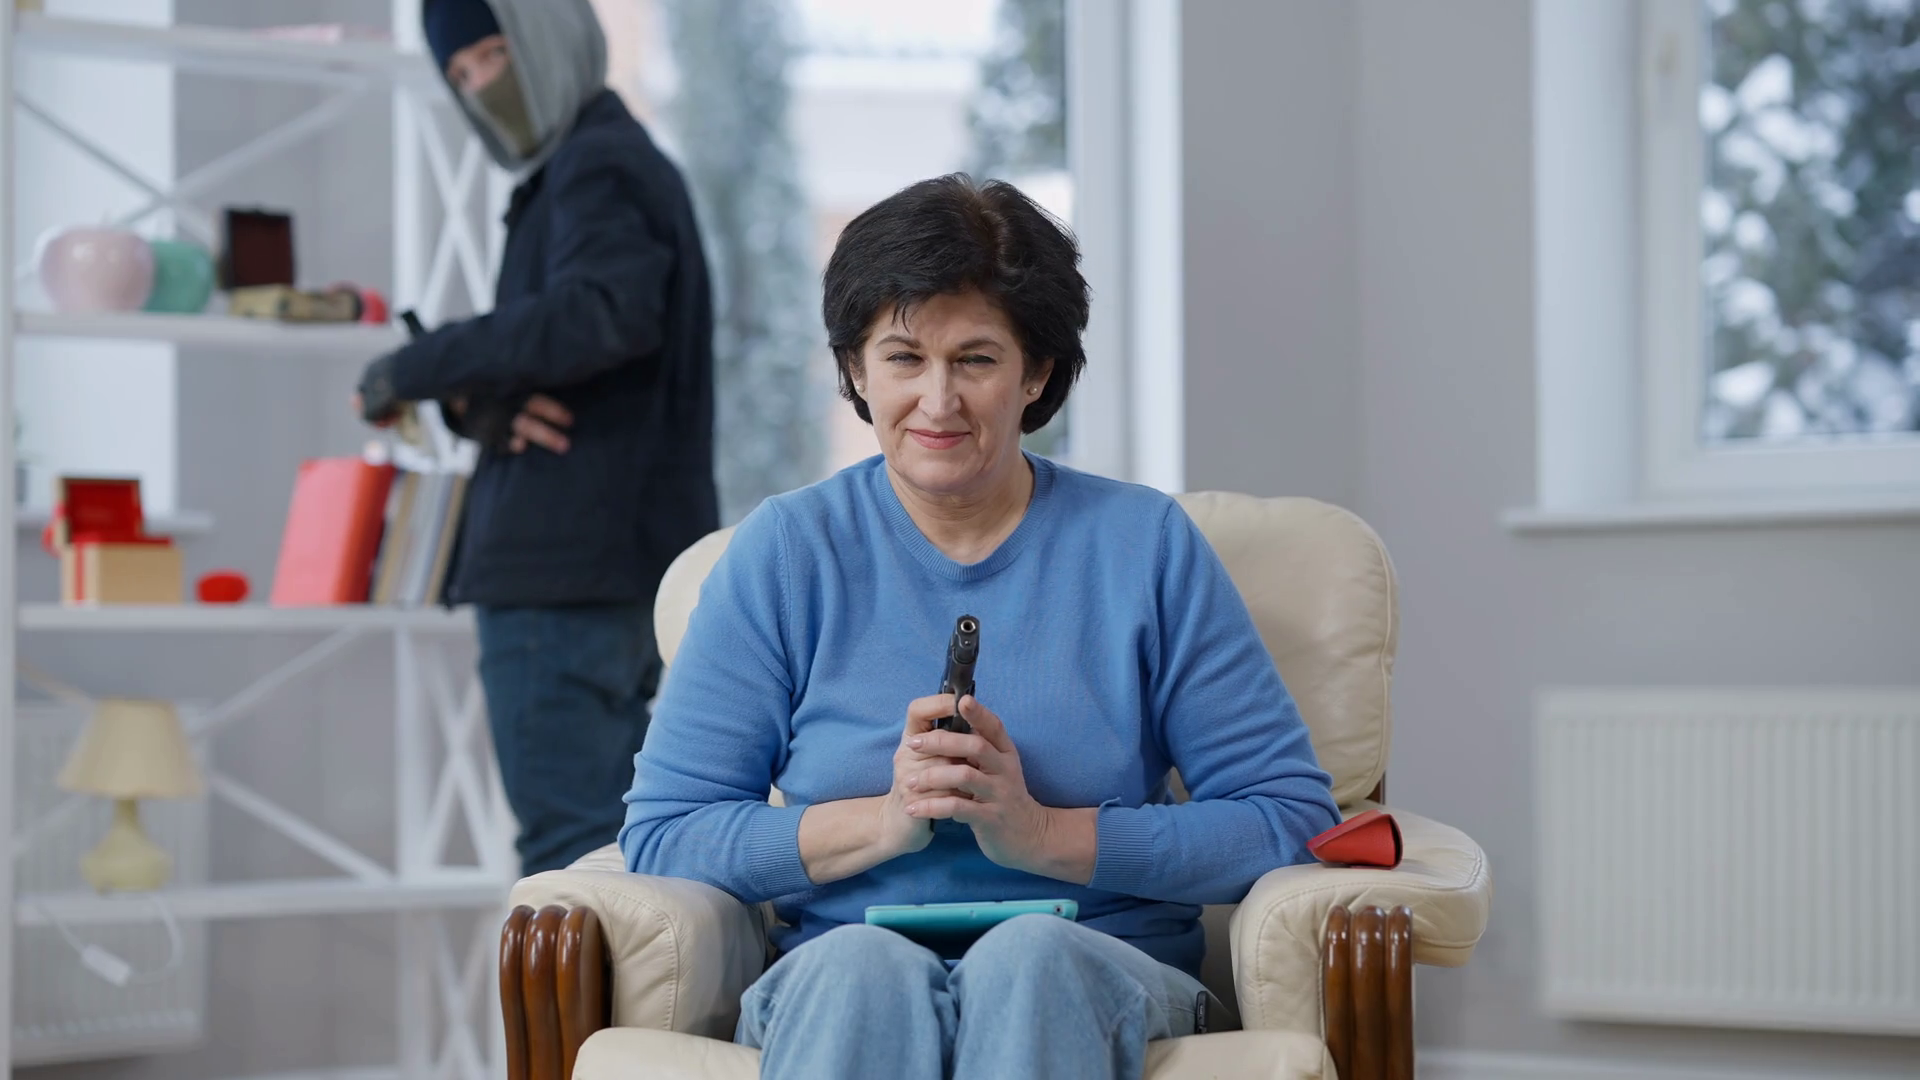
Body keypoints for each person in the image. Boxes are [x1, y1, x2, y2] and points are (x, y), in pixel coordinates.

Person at [619, 174, 1341, 1080]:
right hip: (842, 971)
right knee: (859, 969)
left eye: (975, 360)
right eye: (903, 357)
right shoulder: (787, 552)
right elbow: (667, 832)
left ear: (1036, 372)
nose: (937, 401)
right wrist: (882, 822)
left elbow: (1288, 821)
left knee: (1029, 959)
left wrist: (1041, 834)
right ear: (855, 370)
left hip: (1098, 965)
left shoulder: (1144, 547)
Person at [353, 0, 718, 877]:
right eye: (462, 76)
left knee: (574, 864)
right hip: (611, 566)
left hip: (564, 580)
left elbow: (602, 314)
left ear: (547, 36)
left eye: (493, 54)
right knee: (619, 856)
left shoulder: (596, 164)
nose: (483, 86)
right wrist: (481, 407)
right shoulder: (601, 163)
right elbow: (592, 342)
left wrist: (419, 364)